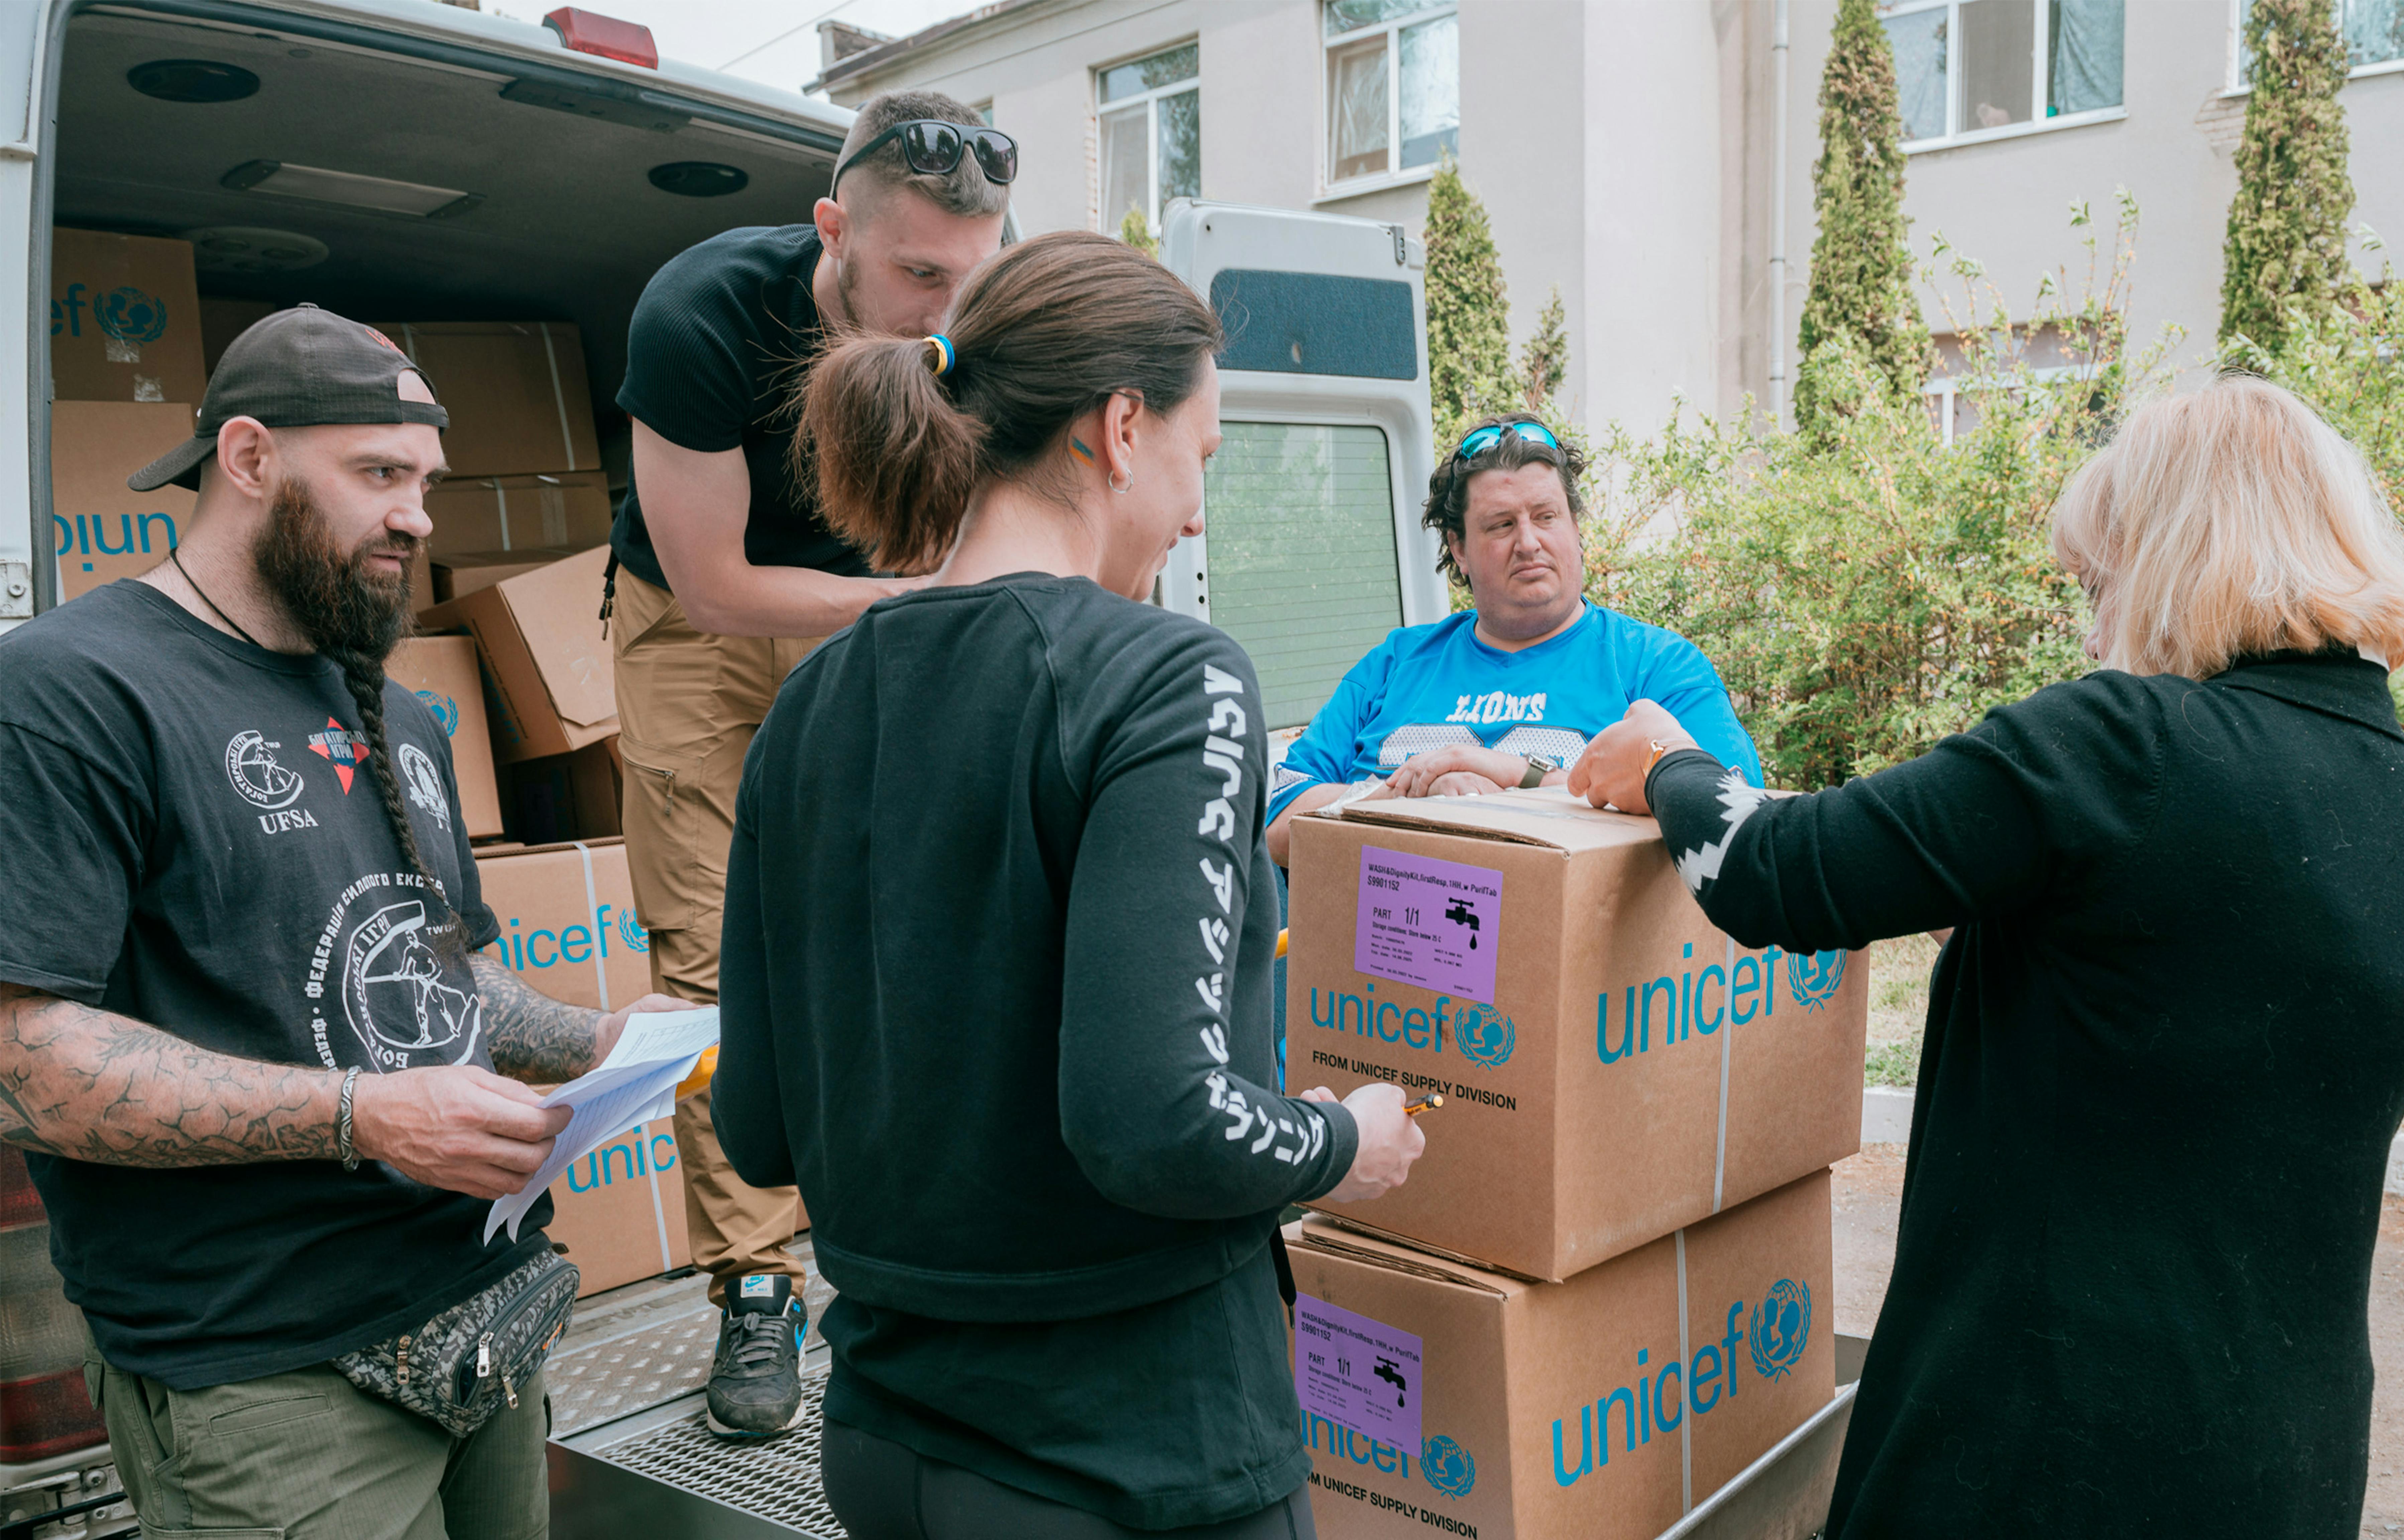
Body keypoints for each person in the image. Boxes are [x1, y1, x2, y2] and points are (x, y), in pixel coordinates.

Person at [1572, 374, 2404, 1538]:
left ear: (2177, 559)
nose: (2095, 630)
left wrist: (1668, 758)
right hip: (2276, 1451)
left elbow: (1777, 874)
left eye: (2102, 585)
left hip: (2049, 1442)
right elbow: (2170, 990)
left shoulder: (2126, 743)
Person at [713, 231, 1426, 1539]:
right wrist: (1344, 1143)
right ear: (1117, 428)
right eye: (1198, 459)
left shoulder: (805, 707)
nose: (1197, 513)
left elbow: (758, 1128)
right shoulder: (1167, 678)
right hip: (1132, 1458)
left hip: (887, 1450)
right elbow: (1157, 1123)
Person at [0, 307, 686, 1540]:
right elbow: (30, 1062)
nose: (420, 514)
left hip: (486, 1317)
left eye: (425, 481)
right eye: (379, 473)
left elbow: (448, 979)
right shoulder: (71, 690)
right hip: (275, 1380)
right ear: (251, 458)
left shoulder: (395, 711)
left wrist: (599, 1042)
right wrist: (364, 1114)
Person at [603, 89, 1014, 1437]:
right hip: (699, 627)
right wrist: (919, 607)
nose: (944, 308)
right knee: (719, 959)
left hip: (877, 604)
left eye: (970, 273)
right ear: (833, 227)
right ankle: (757, 1289)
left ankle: (902, 1255)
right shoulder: (702, 314)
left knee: (902, 933)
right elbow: (716, 584)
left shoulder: (972, 326)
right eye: (915, 274)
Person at [1262, 411, 1763, 868]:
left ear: (1574, 526)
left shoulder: (1657, 667)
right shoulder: (1394, 663)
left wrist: (1512, 779)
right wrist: (1409, 800)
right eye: (1502, 525)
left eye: (1546, 517)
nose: (1529, 543)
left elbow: (1727, 814)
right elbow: (1278, 822)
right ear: (1458, 548)